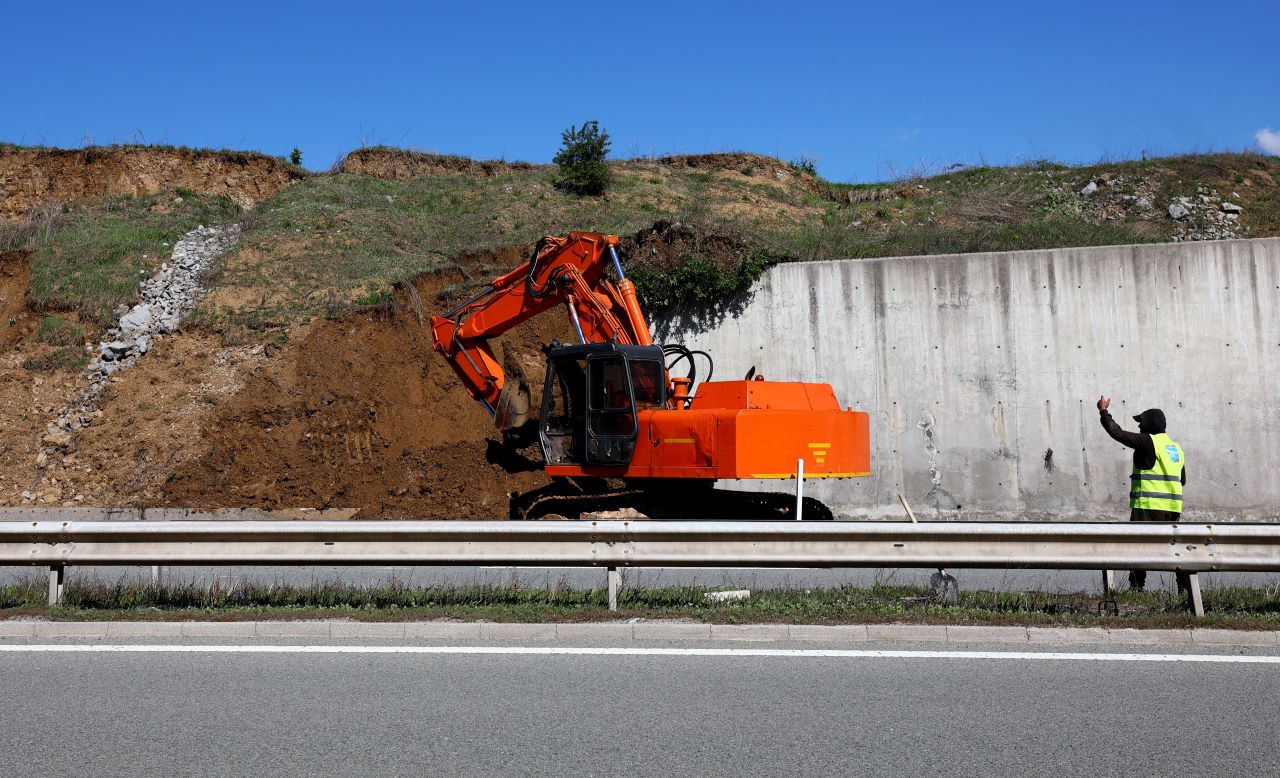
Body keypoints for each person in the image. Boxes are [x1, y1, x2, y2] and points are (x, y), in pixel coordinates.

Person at [1096, 396, 1189, 594]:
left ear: (1150, 426)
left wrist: (1104, 412)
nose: (1139, 428)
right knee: (1175, 549)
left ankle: (1137, 587)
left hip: (1148, 505)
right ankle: (1184, 588)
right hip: (1172, 509)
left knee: (1139, 545)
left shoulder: (1148, 441)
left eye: (1141, 424)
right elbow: (1182, 480)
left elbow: (1117, 433)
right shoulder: (1175, 448)